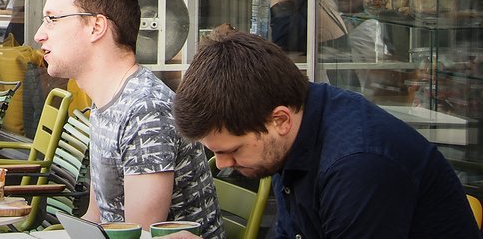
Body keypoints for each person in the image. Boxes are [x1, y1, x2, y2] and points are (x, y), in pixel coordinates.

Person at [172, 31, 477, 238]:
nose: (223, 165)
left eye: (233, 150)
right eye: (216, 153)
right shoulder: (294, 127)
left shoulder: (357, 166)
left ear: (280, 120)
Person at [33, 0, 222, 236]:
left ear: (96, 27)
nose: (39, 34)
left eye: (52, 19)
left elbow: (138, 235)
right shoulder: (107, 100)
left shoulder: (146, 110)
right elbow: (95, 218)